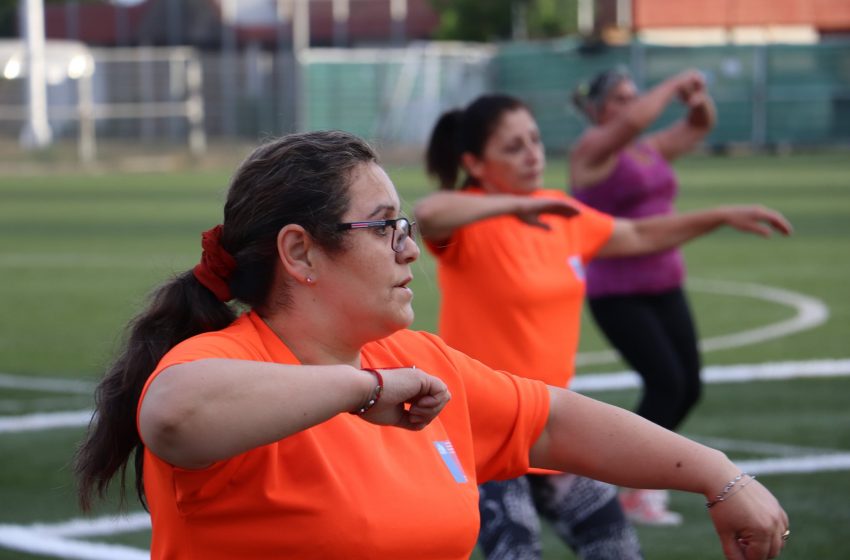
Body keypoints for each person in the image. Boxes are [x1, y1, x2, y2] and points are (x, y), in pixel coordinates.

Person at [74, 130, 789, 560]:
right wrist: (367, 393)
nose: (409, 249)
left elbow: (555, 420)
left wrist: (720, 476)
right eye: (384, 226)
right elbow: (172, 415)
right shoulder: (234, 363)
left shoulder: (417, 362)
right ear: (300, 252)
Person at [416, 95, 791, 559]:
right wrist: (510, 206)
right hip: (486, 430)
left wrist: (719, 216)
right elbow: (429, 215)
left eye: (534, 139)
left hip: (551, 427)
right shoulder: (470, 219)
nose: (533, 154)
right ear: (473, 161)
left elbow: (637, 235)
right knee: (515, 552)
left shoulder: (555, 209)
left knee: (616, 550)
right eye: (514, 147)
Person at [569, 67, 717, 524]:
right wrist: (673, 84)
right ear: (596, 109)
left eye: (634, 96)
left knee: (688, 387)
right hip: (619, 290)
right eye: (619, 98)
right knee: (666, 385)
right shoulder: (592, 151)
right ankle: (631, 487)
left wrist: (695, 99)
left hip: (666, 282)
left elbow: (699, 125)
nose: (630, 105)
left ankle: (634, 483)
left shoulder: (647, 151)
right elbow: (632, 122)